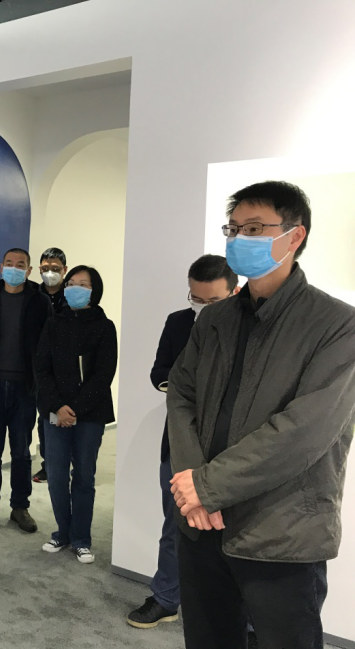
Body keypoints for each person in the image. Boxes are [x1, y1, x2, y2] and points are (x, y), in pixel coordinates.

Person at [168, 181, 355, 649]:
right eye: (233, 229)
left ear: (294, 236)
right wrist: (193, 484)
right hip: (202, 525)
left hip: (280, 532)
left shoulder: (338, 325)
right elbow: (181, 395)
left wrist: (207, 486)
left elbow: (304, 431)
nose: (238, 239)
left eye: (253, 228)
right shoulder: (214, 320)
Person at [127, 254, 238, 629]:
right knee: (176, 526)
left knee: (238, 531)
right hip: (179, 440)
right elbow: (159, 371)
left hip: (231, 448)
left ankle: (241, 616)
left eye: (213, 301)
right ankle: (166, 598)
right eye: (196, 299)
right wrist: (185, 389)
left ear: (234, 291)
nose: (203, 308)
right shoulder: (178, 322)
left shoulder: (251, 327)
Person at [34, 265, 117, 565]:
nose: (74, 288)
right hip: (54, 412)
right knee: (56, 476)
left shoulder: (104, 326)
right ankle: (63, 532)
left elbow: (103, 374)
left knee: (83, 476)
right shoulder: (54, 323)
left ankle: (81, 539)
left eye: (83, 284)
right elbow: (41, 369)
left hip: (90, 414)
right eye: (71, 283)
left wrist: (75, 409)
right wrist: (58, 407)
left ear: (94, 291)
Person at [0, 248, 52, 534]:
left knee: (21, 452)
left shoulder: (40, 302)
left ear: (29, 271)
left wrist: (43, 383)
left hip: (25, 389)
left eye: (21, 265)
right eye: (9, 263)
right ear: (1, 267)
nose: (14, 268)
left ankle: (20, 507)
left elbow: (47, 345)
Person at [34, 247, 68, 484]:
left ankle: (70, 463)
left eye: (55, 269)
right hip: (41, 368)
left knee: (68, 416)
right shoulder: (34, 296)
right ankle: (49, 465)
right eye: (46, 268)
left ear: (64, 270)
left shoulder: (72, 295)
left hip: (67, 369)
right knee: (45, 418)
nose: (50, 273)